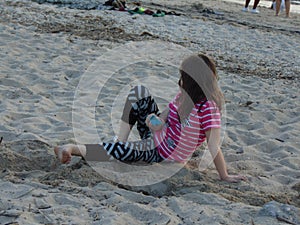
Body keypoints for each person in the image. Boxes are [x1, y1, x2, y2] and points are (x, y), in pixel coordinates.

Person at [54, 54, 246, 183]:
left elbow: (214, 145)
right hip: (157, 135)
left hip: (161, 153)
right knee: (139, 92)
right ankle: (120, 140)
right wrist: (157, 119)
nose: (180, 82)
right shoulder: (184, 97)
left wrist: (224, 175)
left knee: (118, 152)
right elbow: (168, 112)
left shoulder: (207, 108)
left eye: (183, 78)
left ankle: (72, 149)